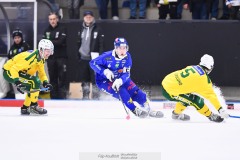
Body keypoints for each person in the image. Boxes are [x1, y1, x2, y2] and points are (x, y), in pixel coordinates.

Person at [89, 37, 164, 118]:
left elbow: (127, 73)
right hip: (103, 81)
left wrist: (120, 80)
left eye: (124, 48)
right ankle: (135, 110)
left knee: (137, 93)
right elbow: (93, 63)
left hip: (120, 78)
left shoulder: (128, 57)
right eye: (120, 48)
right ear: (115, 48)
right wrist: (105, 72)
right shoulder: (107, 56)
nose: (122, 50)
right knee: (122, 91)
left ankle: (148, 109)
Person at [161, 54, 229, 122]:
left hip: (167, 80)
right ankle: (211, 116)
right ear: (210, 67)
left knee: (187, 97)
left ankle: (176, 114)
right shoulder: (205, 81)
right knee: (196, 100)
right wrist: (220, 110)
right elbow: (212, 96)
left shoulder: (193, 67)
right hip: (169, 91)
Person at [2, 39, 54, 115]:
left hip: (18, 72)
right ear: (41, 49)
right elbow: (14, 69)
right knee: (35, 81)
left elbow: (42, 73)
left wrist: (46, 82)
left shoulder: (41, 58)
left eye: (50, 51)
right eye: (47, 51)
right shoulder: (29, 58)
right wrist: (17, 82)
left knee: (33, 85)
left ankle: (25, 108)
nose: (49, 53)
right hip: (9, 72)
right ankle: (33, 106)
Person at [77, 10, 104, 100]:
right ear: (84, 18)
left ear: (93, 18)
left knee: (95, 80)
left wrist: (99, 58)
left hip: (94, 60)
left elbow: (101, 44)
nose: (88, 18)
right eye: (86, 17)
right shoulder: (80, 29)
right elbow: (77, 43)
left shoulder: (98, 29)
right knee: (84, 79)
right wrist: (78, 54)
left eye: (90, 17)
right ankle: (85, 97)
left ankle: (96, 98)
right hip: (83, 58)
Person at [43, 12, 68, 99]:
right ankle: (53, 98)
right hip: (50, 58)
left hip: (61, 57)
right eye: (51, 19)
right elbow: (43, 44)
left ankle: (62, 98)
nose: (52, 21)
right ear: (49, 20)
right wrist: (54, 42)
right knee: (52, 79)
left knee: (62, 78)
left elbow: (61, 42)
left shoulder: (62, 28)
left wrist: (49, 42)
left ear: (57, 19)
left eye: (54, 19)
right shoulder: (46, 30)